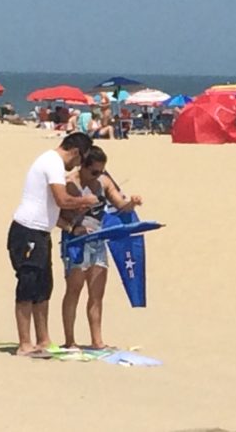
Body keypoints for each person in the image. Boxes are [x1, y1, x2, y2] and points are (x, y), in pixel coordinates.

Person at [8, 132, 98, 356]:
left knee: (43, 286)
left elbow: (52, 208)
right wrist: (85, 200)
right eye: (80, 160)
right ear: (76, 152)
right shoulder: (53, 162)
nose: (77, 165)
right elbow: (62, 200)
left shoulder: (52, 162)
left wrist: (71, 223)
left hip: (41, 233)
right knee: (27, 286)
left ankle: (43, 340)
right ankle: (25, 344)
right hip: (26, 230)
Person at [58, 146, 143, 349]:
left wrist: (132, 202)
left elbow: (120, 206)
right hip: (76, 241)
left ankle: (97, 340)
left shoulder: (103, 182)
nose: (97, 175)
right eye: (94, 171)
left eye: (101, 171)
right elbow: (54, 216)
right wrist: (75, 223)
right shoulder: (69, 184)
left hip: (98, 239)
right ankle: (70, 341)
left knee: (97, 293)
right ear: (83, 167)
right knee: (74, 290)